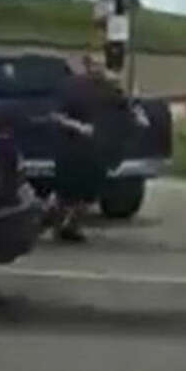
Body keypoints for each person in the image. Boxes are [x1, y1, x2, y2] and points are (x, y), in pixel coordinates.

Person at [47, 67, 128, 242]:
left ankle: (71, 226)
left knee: (89, 192)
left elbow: (125, 111)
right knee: (67, 190)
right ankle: (55, 221)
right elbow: (56, 115)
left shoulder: (111, 95)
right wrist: (78, 127)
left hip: (96, 150)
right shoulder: (72, 90)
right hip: (72, 147)